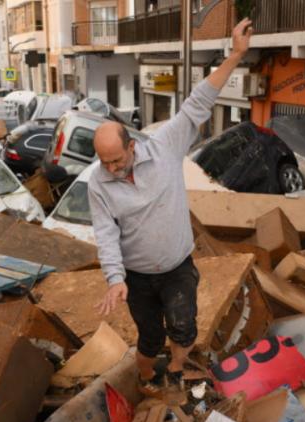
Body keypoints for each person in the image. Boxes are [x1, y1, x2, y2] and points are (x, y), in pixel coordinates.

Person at [87, 18, 254, 392]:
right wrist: (115, 279)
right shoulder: (98, 183)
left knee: (183, 326)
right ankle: (148, 376)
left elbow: (198, 102)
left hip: (178, 267)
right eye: (105, 163)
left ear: (132, 146)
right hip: (138, 277)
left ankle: (176, 370)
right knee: (148, 337)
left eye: (117, 160)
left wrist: (236, 54)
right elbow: (105, 233)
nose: (112, 169)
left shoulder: (164, 146)